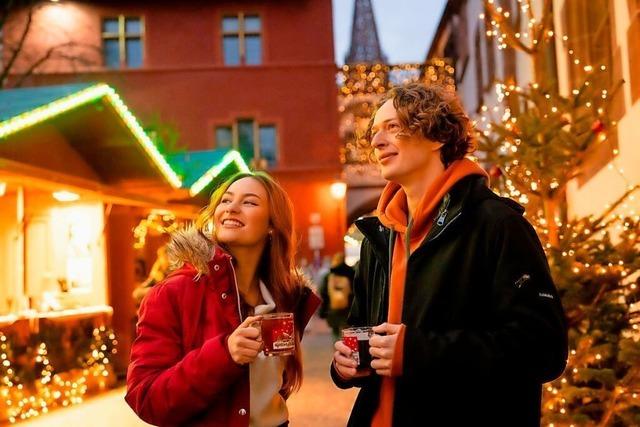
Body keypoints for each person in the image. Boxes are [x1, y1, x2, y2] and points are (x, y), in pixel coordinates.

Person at [331, 82, 568, 426]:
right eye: (375, 131)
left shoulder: (496, 224)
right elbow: (362, 329)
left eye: (393, 127)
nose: (376, 141)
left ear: (437, 135)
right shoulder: (376, 237)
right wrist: (346, 365)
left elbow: (542, 349)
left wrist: (416, 351)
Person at [126, 171, 321, 427]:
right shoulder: (173, 292)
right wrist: (225, 354)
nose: (231, 209)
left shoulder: (285, 297)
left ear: (272, 225)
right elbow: (146, 398)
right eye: (226, 201)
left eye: (249, 202)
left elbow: (273, 388)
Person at [318, 252, 355, 341]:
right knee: (347, 332)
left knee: (335, 334)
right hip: (348, 309)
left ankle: (338, 350)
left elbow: (323, 294)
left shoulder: (329, 276)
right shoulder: (351, 273)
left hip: (333, 309)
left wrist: (323, 311)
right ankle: (347, 351)